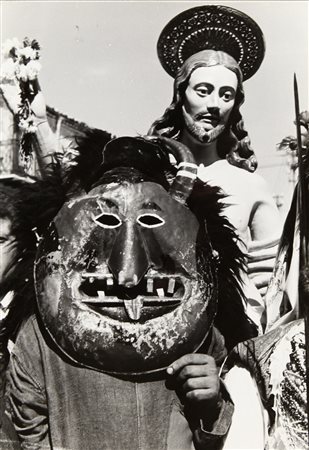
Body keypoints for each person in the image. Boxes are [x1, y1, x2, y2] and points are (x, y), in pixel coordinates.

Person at [4, 133, 257, 449]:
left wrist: (212, 403)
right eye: (106, 221)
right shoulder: (38, 338)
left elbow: (221, 437)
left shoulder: (204, 334)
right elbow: (28, 434)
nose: (128, 273)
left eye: (151, 220)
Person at [149, 5, 282, 331]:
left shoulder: (251, 186)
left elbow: (271, 289)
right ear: (180, 96)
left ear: (235, 104)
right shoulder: (147, 170)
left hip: (226, 342)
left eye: (226, 94)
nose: (213, 104)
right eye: (203, 90)